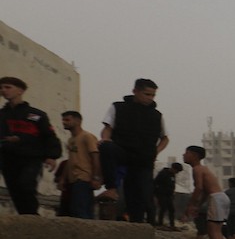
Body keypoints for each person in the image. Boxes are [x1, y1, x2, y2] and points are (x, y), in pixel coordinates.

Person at [98, 78, 168, 224]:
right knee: (106, 147)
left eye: (153, 95)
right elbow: (108, 128)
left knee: (140, 196)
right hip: (122, 151)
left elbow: (165, 138)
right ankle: (111, 188)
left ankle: (137, 225)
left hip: (143, 160)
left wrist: (156, 152)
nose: (150, 98)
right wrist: (105, 139)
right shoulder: (118, 107)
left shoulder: (157, 115)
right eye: (146, 94)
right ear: (135, 91)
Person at [0, 76, 62, 215]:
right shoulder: (1, 115)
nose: (3, 90)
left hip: (31, 158)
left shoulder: (36, 115)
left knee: (26, 185)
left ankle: (32, 217)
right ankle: (26, 218)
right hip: (7, 159)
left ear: (20, 91)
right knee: (15, 191)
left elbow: (49, 136)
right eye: (1, 88)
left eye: (8, 87)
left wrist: (52, 156)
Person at [181, 145, 232, 239]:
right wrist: (198, 205)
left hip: (217, 199)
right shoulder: (203, 169)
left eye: (186, 153)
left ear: (194, 155)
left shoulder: (197, 169)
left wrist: (191, 205)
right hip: (219, 197)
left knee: (213, 230)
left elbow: (199, 188)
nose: (183, 155)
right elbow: (205, 191)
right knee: (214, 230)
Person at [59, 110, 101, 219]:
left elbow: (95, 157)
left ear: (78, 121)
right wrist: (63, 179)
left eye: (67, 120)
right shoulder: (71, 140)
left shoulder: (87, 137)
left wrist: (96, 177)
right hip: (73, 179)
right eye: (63, 120)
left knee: (80, 211)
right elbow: (70, 159)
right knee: (75, 210)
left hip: (84, 178)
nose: (64, 122)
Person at [153, 163, 183, 228]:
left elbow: (172, 184)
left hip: (169, 195)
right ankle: (160, 223)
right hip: (161, 194)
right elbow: (155, 182)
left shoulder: (172, 175)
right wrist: (155, 194)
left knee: (171, 209)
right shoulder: (163, 173)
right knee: (163, 208)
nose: (176, 173)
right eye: (176, 171)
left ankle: (172, 224)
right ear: (173, 168)